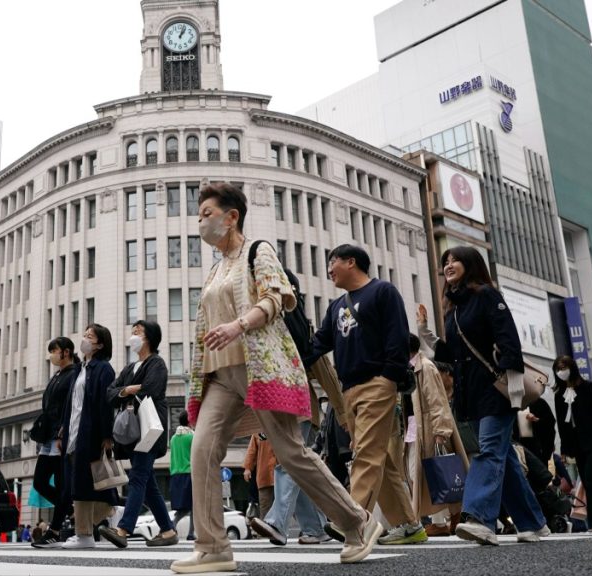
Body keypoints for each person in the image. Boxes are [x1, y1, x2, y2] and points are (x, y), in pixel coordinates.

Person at [174, 183, 379, 574]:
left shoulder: (257, 251)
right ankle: (212, 547)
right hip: (219, 375)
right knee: (202, 451)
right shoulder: (216, 268)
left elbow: (276, 298)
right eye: (199, 216)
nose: (200, 223)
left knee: (291, 453)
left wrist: (238, 325)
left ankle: (358, 521)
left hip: (261, 367)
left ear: (231, 216)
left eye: (206, 214)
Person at [304, 244, 426, 546]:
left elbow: (397, 336)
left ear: (351, 261)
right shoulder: (336, 307)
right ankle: (410, 526)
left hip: (377, 384)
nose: (329, 269)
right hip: (350, 390)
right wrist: (290, 360)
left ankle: (352, 518)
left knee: (366, 455)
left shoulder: (383, 292)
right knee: (379, 457)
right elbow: (319, 344)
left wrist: (389, 377)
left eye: (333, 262)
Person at [428, 246, 547, 546]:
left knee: (488, 450)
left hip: (497, 389)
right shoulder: (454, 308)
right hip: (473, 392)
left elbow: (508, 337)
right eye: (445, 261)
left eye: (455, 260)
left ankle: (479, 518)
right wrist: (425, 334)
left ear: (471, 265)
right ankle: (533, 522)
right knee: (503, 457)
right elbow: (454, 355)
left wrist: (515, 384)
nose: (449, 265)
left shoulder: (486, 296)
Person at [101, 320, 178, 548]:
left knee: (137, 477)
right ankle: (167, 531)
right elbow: (110, 394)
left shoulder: (157, 364)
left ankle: (123, 529)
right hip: (133, 432)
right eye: (132, 330)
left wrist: (124, 391)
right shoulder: (130, 368)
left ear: (150, 338)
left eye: (138, 331)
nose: (133, 334)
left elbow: (151, 390)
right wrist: (127, 389)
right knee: (148, 484)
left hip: (148, 431)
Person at [57, 324, 117, 549]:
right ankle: (106, 517)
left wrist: (107, 435)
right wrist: (63, 428)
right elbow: (72, 403)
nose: (84, 339)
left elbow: (106, 404)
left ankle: (84, 534)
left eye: (90, 336)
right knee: (85, 483)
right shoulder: (80, 368)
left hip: (90, 433)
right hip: (75, 431)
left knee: (85, 483)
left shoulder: (104, 369)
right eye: (84, 334)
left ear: (100, 344)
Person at [406, 334, 468, 538]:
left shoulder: (425, 367)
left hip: (428, 427)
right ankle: (445, 517)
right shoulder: (412, 367)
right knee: (422, 475)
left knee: (435, 474)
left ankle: (444, 519)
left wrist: (440, 430)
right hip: (415, 427)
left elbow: (437, 399)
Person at [552, 355, 592, 532]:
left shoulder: (587, 387)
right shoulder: (559, 394)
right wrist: (564, 450)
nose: (561, 371)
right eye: (558, 368)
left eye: (564, 367)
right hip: (576, 444)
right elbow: (561, 423)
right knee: (589, 483)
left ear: (572, 367)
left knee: (589, 479)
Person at [31, 337, 79, 548]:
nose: (51, 354)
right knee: (39, 482)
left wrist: (63, 432)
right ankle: (70, 509)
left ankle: (54, 531)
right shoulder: (57, 375)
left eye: (55, 350)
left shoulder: (74, 374)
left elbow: (72, 405)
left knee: (62, 486)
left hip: (61, 436)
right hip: (48, 436)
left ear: (66, 352)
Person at [169, 411, 195, 540]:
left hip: (175, 475)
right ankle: (191, 533)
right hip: (189, 474)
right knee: (193, 506)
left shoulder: (173, 438)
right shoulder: (192, 437)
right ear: (190, 421)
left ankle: (172, 526)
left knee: (183, 507)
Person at [242, 433, 277, 520]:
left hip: (282, 475)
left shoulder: (283, 426)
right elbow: (252, 450)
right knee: (265, 506)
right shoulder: (258, 431)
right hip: (264, 475)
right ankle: (265, 530)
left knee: (286, 504)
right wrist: (247, 468)